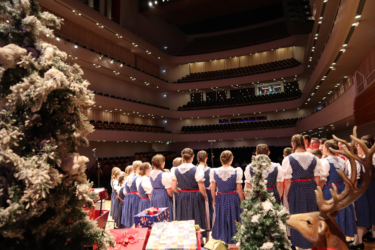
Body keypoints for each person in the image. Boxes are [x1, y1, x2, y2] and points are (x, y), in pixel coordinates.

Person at [282, 134, 321, 250]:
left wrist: (287, 195)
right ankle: (312, 243)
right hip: (311, 187)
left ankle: (302, 245)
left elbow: (288, 180)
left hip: (296, 189)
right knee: (311, 216)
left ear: (293, 144)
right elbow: (318, 178)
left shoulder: (288, 159)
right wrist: (316, 191)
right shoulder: (314, 158)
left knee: (298, 217)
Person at [320, 140, 357, 238]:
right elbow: (345, 175)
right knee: (341, 211)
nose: (323, 149)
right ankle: (342, 236)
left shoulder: (325, 161)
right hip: (342, 188)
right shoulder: (342, 160)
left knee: (332, 213)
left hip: (330, 189)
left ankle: (332, 237)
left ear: (327, 149)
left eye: (323, 148)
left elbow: (323, 178)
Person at [210, 150, 244, 244]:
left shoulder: (214, 171)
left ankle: (223, 238)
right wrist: (243, 201)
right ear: (231, 159)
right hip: (233, 198)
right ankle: (235, 238)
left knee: (222, 217)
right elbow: (239, 188)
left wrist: (214, 200)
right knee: (234, 217)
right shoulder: (237, 171)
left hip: (221, 197)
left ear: (221, 159)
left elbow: (213, 189)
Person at [171, 148, 206, 233]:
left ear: (182, 157)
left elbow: (173, 187)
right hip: (195, 196)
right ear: (193, 157)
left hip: (183, 196)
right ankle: (198, 239)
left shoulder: (175, 169)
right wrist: (204, 195)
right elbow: (201, 185)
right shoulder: (197, 169)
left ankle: (184, 238)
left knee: (183, 216)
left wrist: (181, 192)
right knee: (196, 217)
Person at [348, 143, 372, 249]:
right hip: (357, 190)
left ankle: (359, 242)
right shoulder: (354, 160)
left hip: (356, 191)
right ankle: (356, 239)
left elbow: (355, 179)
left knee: (359, 215)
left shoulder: (355, 161)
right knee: (356, 216)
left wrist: (352, 193)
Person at [361, 135, 375, 242]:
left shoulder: (372, 157)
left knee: (372, 206)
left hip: (371, 185)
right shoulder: (365, 157)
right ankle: (369, 231)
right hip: (368, 185)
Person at [150, 154, 173, 219]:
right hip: (162, 196)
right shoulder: (164, 174)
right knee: (164, 215)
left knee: (155, 214)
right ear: (163, 163)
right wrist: (172, 197)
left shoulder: (151, 173)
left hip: (154, 194)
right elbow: (169, 191)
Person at [196, 150, 213, 230]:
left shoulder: (195, 169)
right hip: (207, 192)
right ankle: (208, 229)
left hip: (198, 192)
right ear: (206, 158)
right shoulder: (210, 170)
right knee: (208, 211)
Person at [123, 161, 142, 228]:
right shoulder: (138, 176)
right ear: (138, 167)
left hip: (130, 196)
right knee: (135, 212)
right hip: (136, 196)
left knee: (131, 213)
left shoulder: (129, 176)